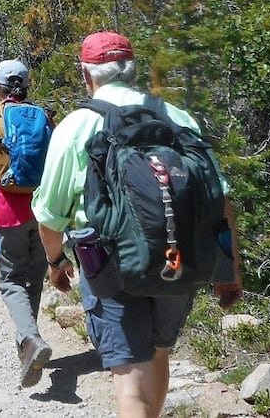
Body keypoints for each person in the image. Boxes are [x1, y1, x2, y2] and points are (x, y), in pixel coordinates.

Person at [33, 31, 243, 418]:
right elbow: (218, 199)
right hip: (176, 255)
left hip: (108, 262)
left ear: (86, 74)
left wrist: (55, 261)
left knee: (130, 379)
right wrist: (227, 270)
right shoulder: (176, 117)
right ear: (133, 70)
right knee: (157, 352)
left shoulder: (77, 126)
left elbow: (49, 213)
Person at [0, 59, 54, 388]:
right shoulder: (45, 117)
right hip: (42, 212)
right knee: (33, 278)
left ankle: (30, 340)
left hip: (5, 212)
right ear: (27, 85)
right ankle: (28, 344)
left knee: (10, 281)